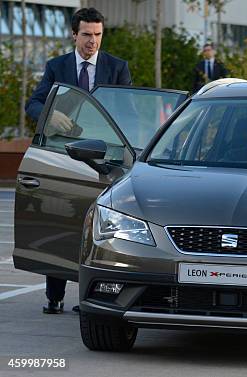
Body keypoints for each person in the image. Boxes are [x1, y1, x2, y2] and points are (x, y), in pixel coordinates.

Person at [25, 7, 132, 314]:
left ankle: (92, 298)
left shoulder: (117, 67)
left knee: (102, 229)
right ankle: (54, 297)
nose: (92, 42)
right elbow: (33, 103)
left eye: (98, 35)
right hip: (65, 155)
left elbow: (129, 111)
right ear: (74, 34)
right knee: (61, 220)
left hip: (106, 158)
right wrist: (49, 113)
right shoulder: (56, 66)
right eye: (86, 34)